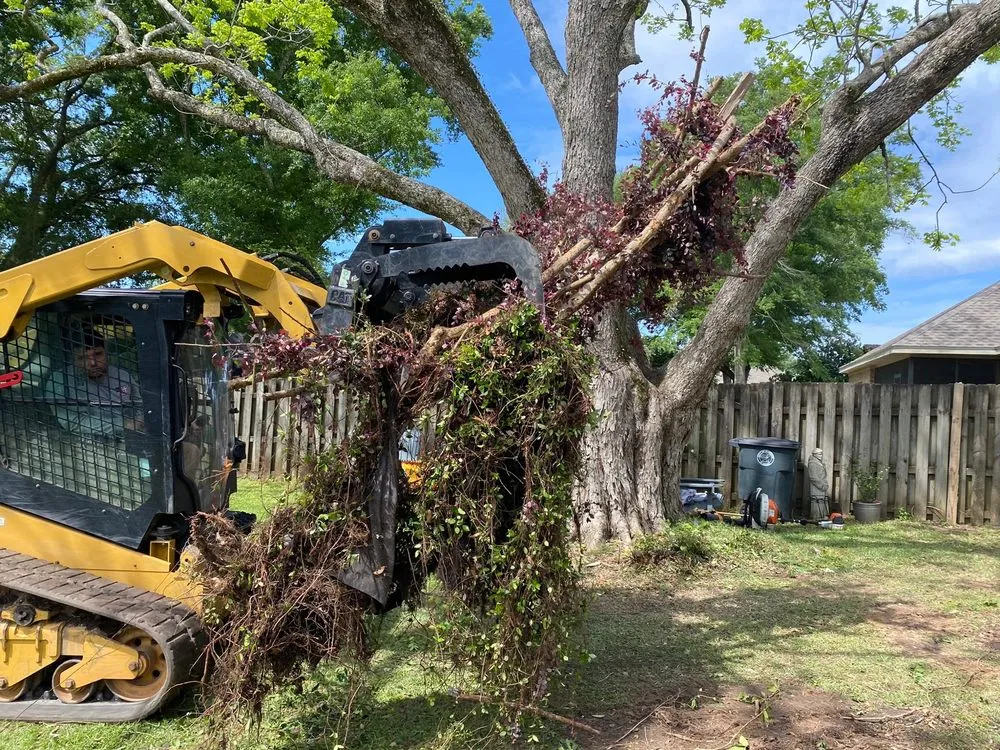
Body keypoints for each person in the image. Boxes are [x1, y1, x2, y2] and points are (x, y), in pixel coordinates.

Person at [50, 330, 142, 437]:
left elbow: (139, 405)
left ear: (106, 352)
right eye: (83, 357)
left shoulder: (122, 376)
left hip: (129, 438)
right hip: (83, 443)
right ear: (72, 359)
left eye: (98, 354)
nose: (93, 363)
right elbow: (72, 422)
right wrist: (122, 424)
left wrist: (139, 421)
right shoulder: (60, 380)